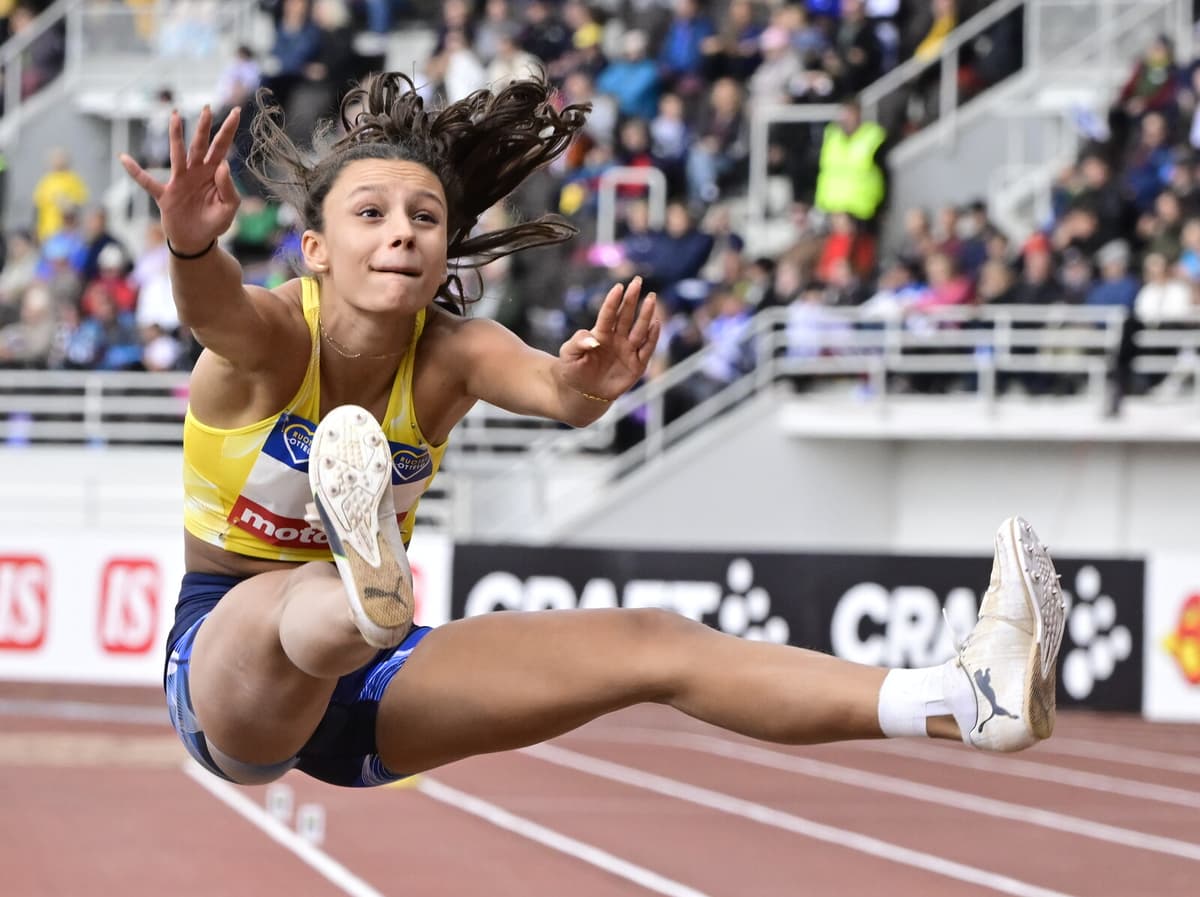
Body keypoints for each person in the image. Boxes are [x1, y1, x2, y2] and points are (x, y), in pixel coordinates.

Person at [121, 72, 1066, 791]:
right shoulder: (271, 337)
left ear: (445, 250)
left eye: (425, 217)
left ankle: (960, 697)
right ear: (316, 249)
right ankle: (360, 595)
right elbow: (211, 308)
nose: (402, 232)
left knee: (654, 642)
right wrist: (191, 243)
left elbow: (554, 391)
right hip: (228, 667)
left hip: (381, 685)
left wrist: (588, 382)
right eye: (370, 214)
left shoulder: (453, 353)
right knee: (303, 599)